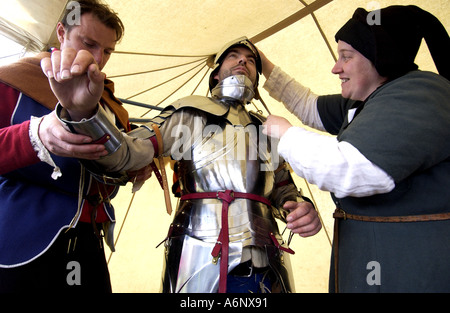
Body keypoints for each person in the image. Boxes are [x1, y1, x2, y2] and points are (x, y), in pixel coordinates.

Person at [43, 36, 322, 293]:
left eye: (250, 60)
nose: (243, 61)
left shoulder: (269, 129)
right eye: (234, 56)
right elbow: (129, 152)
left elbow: (284, 189)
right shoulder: (190, 113)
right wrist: (84, 113)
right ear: (216, 74)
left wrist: (301, 207)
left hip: (268, 259)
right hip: (198, 253)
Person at [260, 5, 450, 292]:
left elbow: (351, 169)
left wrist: (285, 135)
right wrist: (263, 65)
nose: (336, 68)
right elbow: (308, 105)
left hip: (411, 270)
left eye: (346, 57)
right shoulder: (365, 100)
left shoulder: (419, 94)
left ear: (381, 57)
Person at [0, 0, 149, 293]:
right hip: (17, 241)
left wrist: (134, 168)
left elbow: (110, 174)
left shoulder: (112, 106)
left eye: (107, 51)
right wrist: (37, 134)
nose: (98, 57)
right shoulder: (11, 80)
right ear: (61, 32)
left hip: (87, 241)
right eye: (89, 43)